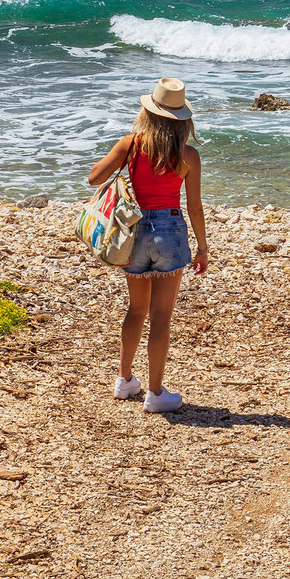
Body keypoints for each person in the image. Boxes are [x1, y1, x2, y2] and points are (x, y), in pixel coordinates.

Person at [87, 75, 208, 414]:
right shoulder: (188, 155)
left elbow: (94, 177)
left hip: (136, 232)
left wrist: (123, 163)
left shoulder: (130, 145)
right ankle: (155, 393)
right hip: (170, 232)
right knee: (162, 316)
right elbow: (195, 207)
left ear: (148, 113)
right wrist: (202, 247)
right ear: (182, 120)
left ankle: (124, 379)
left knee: (136, 310)